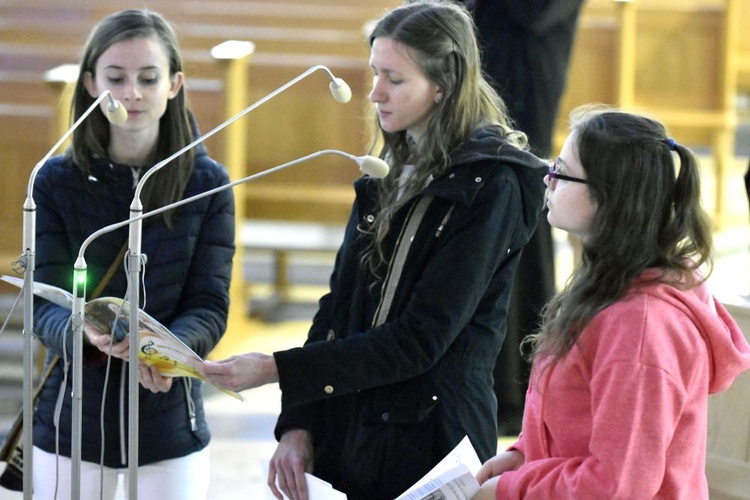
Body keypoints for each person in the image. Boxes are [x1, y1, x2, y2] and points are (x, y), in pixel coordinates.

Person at [200, 1, 547, 499]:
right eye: (374, 73)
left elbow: (421, 339)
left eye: (395, 79)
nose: (375, 92)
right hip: (352, 422)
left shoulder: (492, 183)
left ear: (442, 86)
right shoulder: (388, 167)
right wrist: (299, 424)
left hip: (430, 439)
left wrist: (277, 368)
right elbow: (337, 308)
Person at [473, 106, 750, 499]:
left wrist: (514, 490)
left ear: (608, 198)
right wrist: (524, 455)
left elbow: (617, 487)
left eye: (562, 172)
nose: (547, 181)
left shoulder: (639, 329)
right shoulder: (609, 282)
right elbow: (578, 422)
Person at [31, 9, 235, 500]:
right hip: (71, 420)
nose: (131, 94)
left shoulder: (207, 185)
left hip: (168, 419)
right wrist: (82, 331)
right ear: (90, 84)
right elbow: (42, 302)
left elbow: (209, 303)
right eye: (115, 78)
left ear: (174, 84)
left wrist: (167, 351)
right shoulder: (55, 180)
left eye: (148, 78)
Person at [462, 0, 585, 436]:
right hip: (469, 65)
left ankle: (516, 388)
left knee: (517, 211)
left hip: (523, 72)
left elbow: (539, 10)